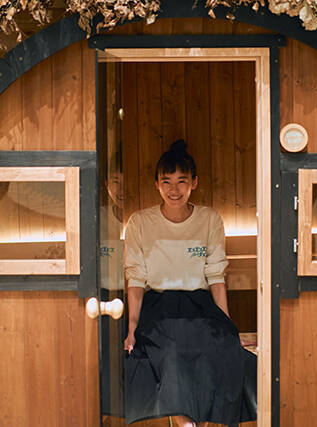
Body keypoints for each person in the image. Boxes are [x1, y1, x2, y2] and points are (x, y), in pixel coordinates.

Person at [123, 140, 257, 426]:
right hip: (158, 306)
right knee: (171, 354)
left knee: (219, 350)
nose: (174, 190)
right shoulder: (139, 222)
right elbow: (135, 279)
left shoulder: (210, 219)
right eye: (166, 182)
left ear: (194, 182)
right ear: (156, 184)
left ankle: (196, 423)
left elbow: (216, 277)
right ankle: (186, 423)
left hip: (200, 305)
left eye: (182, 181)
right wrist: (132, 329)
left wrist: (227, 326)